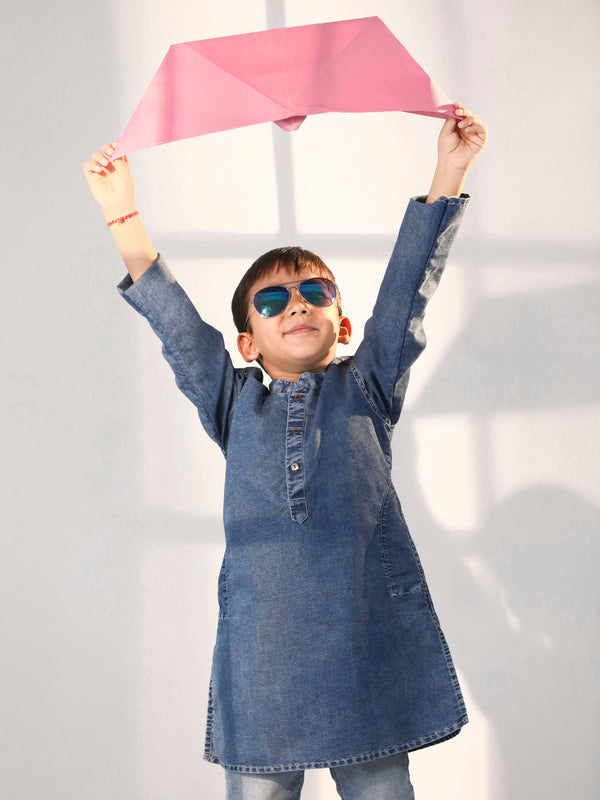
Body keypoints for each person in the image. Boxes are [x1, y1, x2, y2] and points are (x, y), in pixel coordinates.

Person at [84, 102, 487, 800]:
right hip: (261, 663)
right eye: (272, 302)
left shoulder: (368, 384)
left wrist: (448, 171)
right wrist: (124, 213)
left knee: (382, 788)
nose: (296, 305)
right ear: (247, 342)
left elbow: (405, 295)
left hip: (364, 648)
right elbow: (180, 329)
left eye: (315, 292)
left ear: (344, 320)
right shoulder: (233, 401)